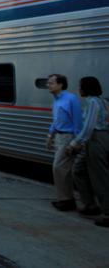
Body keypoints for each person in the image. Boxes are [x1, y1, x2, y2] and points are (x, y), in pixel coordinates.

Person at [68, 77, 109, 226]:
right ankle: (90, 204)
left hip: (96, 139)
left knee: (100, 178)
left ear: (86, 88)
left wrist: (75, 143)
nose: (79, 89)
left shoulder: (92, 102)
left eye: (80, 86)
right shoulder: (103, 101)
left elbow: (89, 126)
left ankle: (107, 213)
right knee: (78, 170)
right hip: (100, 138)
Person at [46, 73, 83, 211]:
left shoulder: (71, 99)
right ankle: (65, 199)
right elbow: (56, 120)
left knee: (59, 167)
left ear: (60, 84)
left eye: (51, 83)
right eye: (48, 83)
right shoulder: (56, 100)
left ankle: (67, 200)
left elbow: (78, 122)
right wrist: (50, 135)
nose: (48, 85)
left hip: (68, 137)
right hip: (59, 137)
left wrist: (76, 141)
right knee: (62, 169)